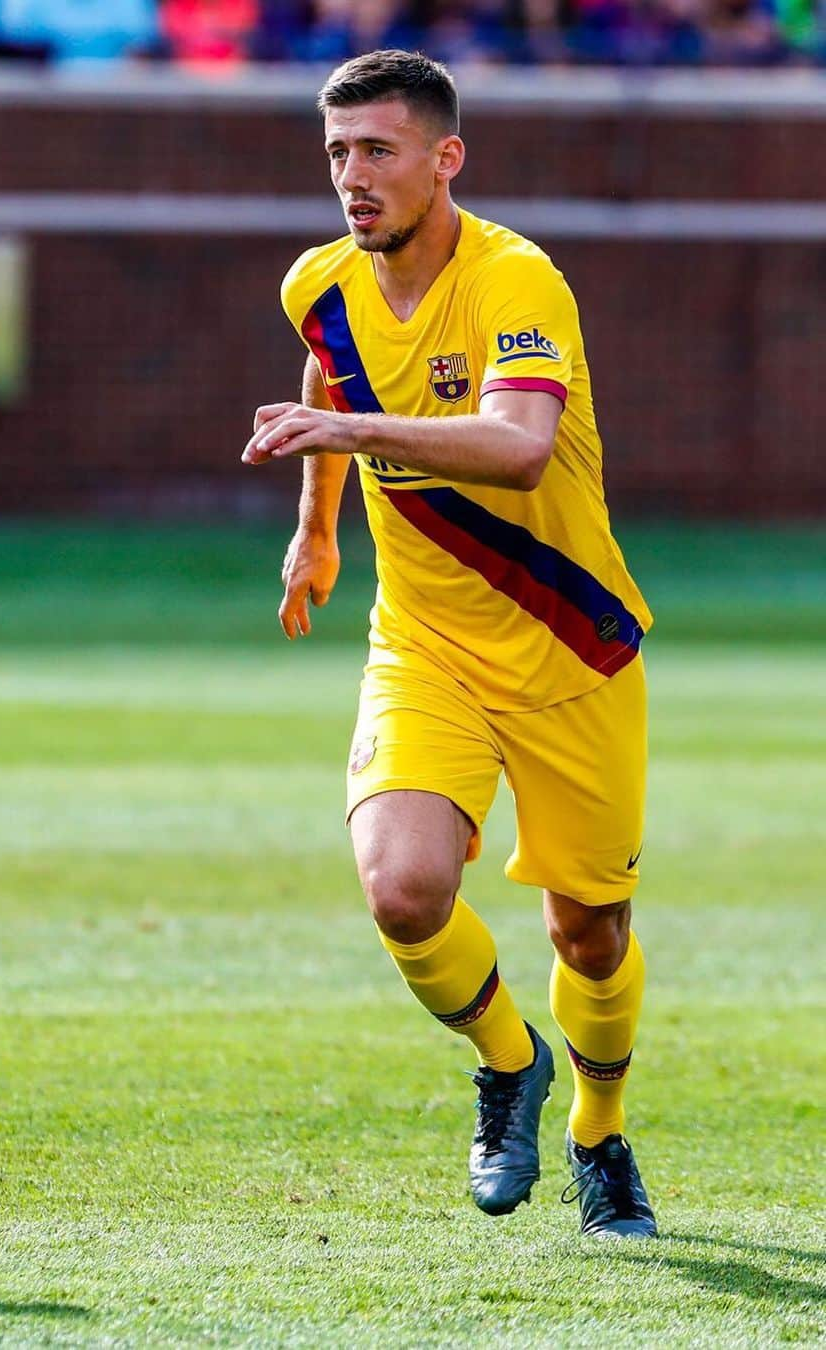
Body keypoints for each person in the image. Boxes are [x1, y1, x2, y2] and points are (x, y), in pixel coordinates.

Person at [242, 48, 657, 1238]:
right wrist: (318, 528)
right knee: (405, 886)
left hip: (572, 645)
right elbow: (331, 358)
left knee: (589, 928)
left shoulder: (521, 281)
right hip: (422, 641)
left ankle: (599, 1128)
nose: (352, 178)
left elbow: (519, 444)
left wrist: (348, 427)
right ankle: (507, 1064)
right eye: (336, 154)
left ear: (445, 159)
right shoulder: (319, 281)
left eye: (376, 151)